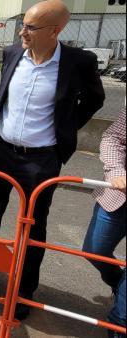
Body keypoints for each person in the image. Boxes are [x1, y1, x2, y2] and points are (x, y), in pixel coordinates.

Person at [0, 0, 105, 320]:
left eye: (30, 27)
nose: (22, 31)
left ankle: (25, 290)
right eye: (23, 24)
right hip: (0, 151)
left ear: (55, 31)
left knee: (32, 228)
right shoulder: (13, 54)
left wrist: (65, 129)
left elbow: (95, 99)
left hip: (40, 159)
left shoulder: (78, 62)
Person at [82, 109, 125, 338]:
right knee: (94, 251)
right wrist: (117, 171)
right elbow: (113, 137)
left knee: (122, 317)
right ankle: (119, 285)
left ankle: (118, 324)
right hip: (119, 194)